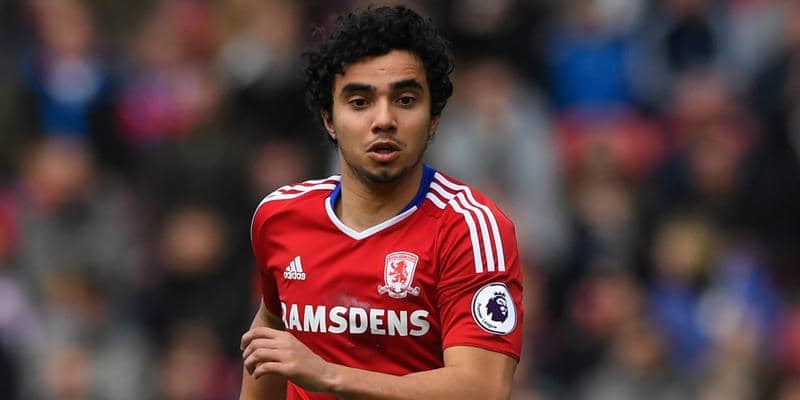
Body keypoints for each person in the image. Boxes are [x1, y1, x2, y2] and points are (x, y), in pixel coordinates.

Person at [240, 5, 524, 399]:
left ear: (434, 117)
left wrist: (328, 374)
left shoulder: (470, 229)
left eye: (405, 100)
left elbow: (483, 389)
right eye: (360, 102)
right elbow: (271, 337)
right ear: (328, 118)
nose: (384, 119)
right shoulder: (279, 217)